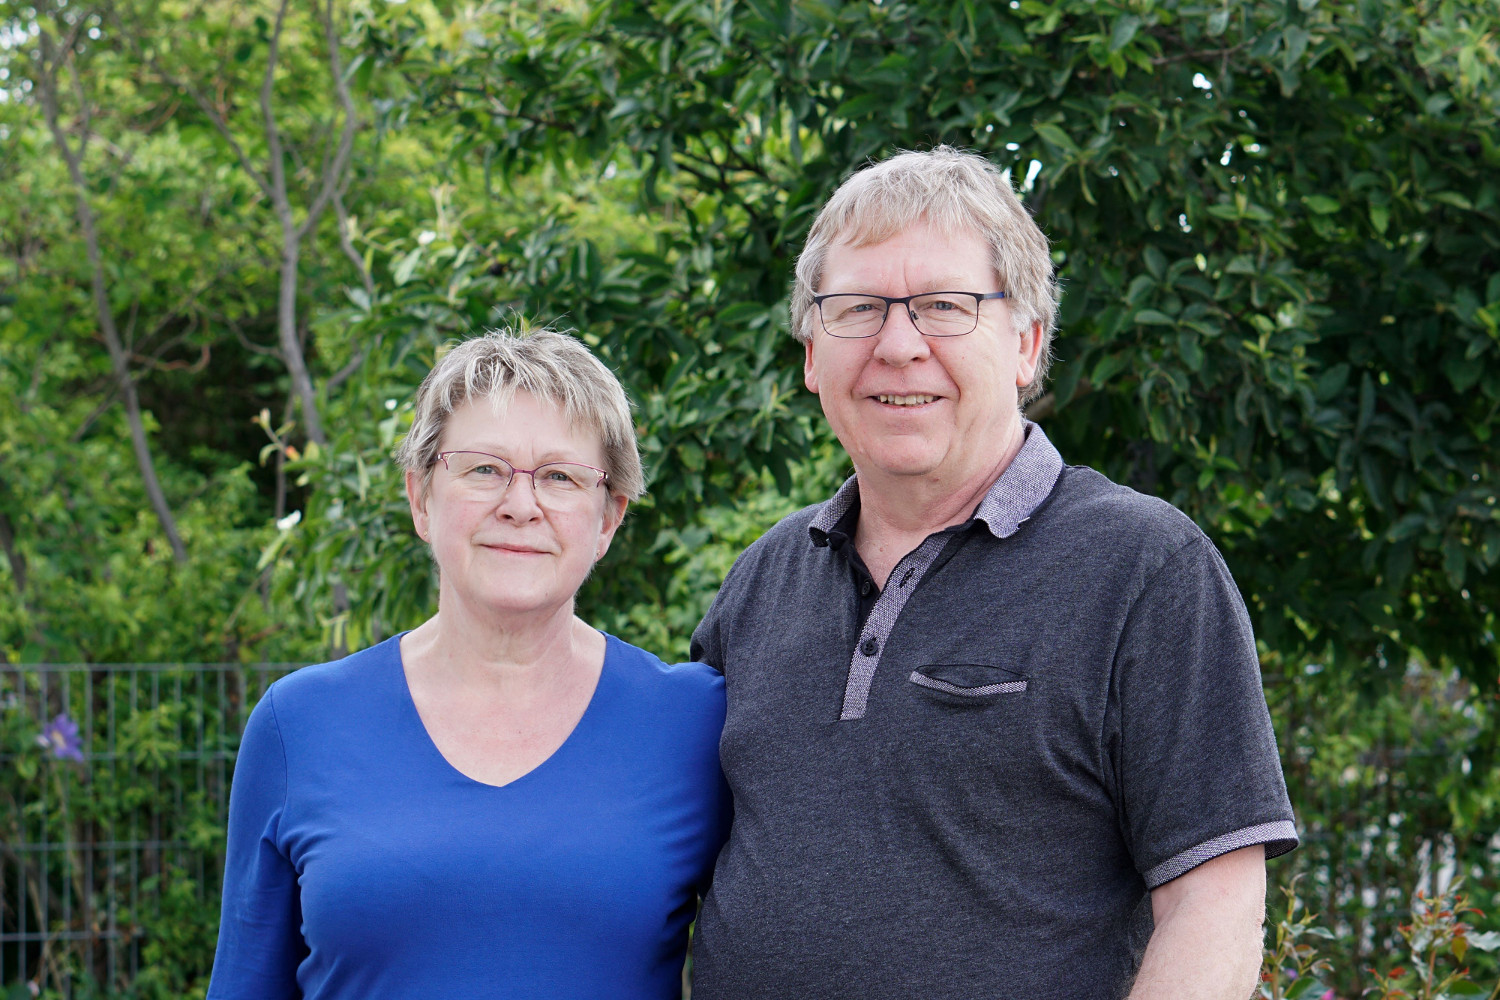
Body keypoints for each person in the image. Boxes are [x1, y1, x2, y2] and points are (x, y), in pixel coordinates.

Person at [689, 147, 1297, 999]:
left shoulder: (1145, 569)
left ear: (1027, 341)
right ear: (811, 355)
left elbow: (1215, 900)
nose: (898, 346)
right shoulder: (762, 582)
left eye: (944, 305)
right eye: (858, 308)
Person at [208, 328, 729, 1000]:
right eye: (484, 468)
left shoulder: (693, 723)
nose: (520, 504)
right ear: (421, 496)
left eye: (560, 476)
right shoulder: (298, 725)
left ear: (609, 519)